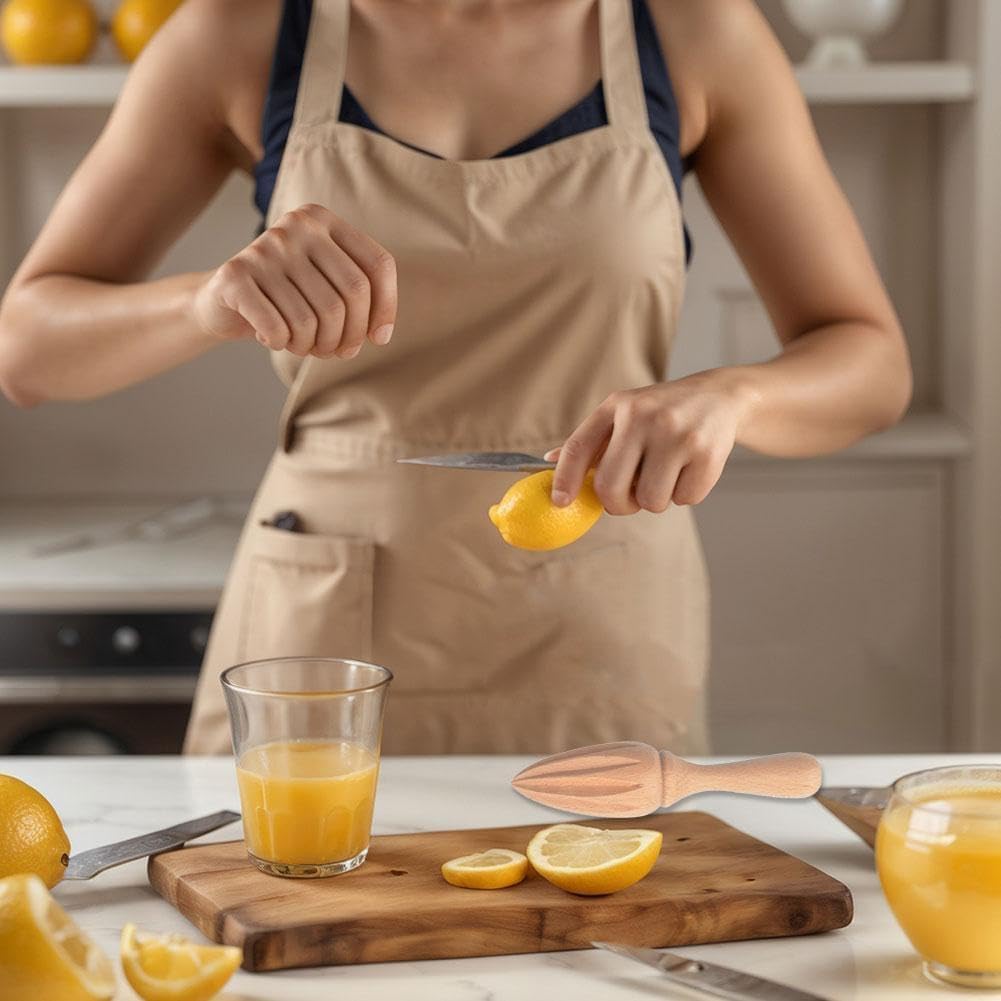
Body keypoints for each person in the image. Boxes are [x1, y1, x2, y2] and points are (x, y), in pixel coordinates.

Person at [0, 0, 912, 756]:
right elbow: (26, 349)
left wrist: (732, 397)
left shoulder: (693, 34)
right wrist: (205, 302)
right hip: (319, 634)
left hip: (600, 629)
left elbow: (869, 361)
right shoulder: (237, 32)